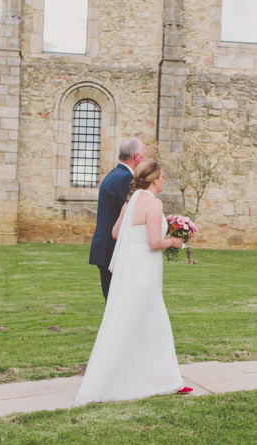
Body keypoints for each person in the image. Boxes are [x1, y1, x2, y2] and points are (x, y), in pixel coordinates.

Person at [75, 161, 191, 406]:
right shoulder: (153, 202)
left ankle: (146, 377)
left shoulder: (131, 201)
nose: (163, 180)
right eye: (162, 177)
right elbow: (154, 243)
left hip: (129, 268)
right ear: (154, 180)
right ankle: (166, 380)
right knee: (153, 318)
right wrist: (173, 242)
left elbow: (116, 233)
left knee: (127, 319)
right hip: (145, 268)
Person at [89, 138, 147, 302]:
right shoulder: (125, 178)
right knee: (118, 301)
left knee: (113, 300)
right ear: (136, 157)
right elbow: (131, 215)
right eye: (144, 156)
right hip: (113, 247)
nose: (145, 160)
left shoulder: (114, 174)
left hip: (106, 245)